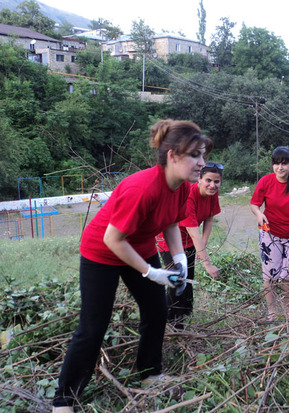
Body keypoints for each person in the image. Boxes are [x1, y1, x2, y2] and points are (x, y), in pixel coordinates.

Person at [52, 120, 213, 413]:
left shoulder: (180, 188)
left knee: (156, 309)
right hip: (101, 252)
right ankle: (63, 400)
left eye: (203, 155)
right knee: (93, 327)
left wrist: (178, 260)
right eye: (195, 155)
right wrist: (150, 272)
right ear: (173, 156)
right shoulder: (142, 187)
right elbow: (113, 239)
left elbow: (171, 222)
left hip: (139, 248)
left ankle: (149, 372)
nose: (202, 163)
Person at [250, 146, 289, 320]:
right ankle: (272, 311)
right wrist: (259, 213)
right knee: (270, 275)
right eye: (277, 163)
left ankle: (287, 309)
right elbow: (254, 204)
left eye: (284, 163)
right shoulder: (265, 181)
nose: (280, 167)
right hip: (271, 234)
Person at [157, 162, 223, 322]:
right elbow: (194, 233)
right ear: (199, 179)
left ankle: (184, 316)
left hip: (188, 243)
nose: (212, 185)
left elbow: (209, 217)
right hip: (169, 242)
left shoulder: (212, 194)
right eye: (208, 180)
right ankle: (170, 321)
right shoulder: (189, 196)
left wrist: (203, 246)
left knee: (188, 279)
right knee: (177, 281)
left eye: (216, 181)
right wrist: (208, 264)